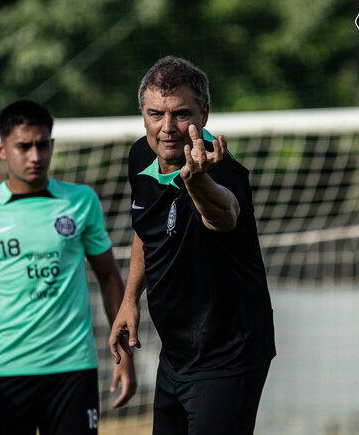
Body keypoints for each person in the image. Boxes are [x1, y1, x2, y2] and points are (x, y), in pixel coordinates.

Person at [108, 56, 276, 434]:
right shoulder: (140, 155)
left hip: (229, 353)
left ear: (205, 112)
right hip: (177, 353)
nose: (167, 128)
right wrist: (130, 298)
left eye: (181, 114)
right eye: (155, 114)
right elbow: (146, 225)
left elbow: (223, 217)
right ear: (143, 114)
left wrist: (196, 180)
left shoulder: (222, 169)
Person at [0, 100, 137, 435]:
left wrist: (125, 356)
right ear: (2, 149)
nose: (35, 156)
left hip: (74, 371)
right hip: (5, 374)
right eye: (23, 147)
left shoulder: (81, 201)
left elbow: (110, 278)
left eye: (42, 145)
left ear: (52, 145)